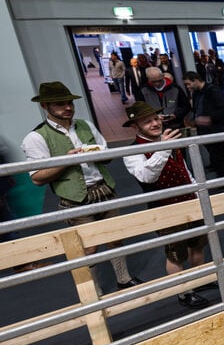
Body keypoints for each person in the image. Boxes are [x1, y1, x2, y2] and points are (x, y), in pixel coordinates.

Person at [20, 81, 139, 290]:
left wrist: (100, 154)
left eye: (69, 103)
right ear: (45, 106)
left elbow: (106, 154)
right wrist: (66, 161)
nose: (67, 107)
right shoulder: (36, 137)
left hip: (104, 188)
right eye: (60, 104)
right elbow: (37, 177)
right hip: (74, 198)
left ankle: (124, 278)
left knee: (115, 238)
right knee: (88, 247)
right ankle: (93, 290)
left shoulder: (86, 125)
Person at [121, 102, 210, 309]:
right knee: (175, 254)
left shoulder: (169, 138)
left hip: (190, 201)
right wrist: (163, 148)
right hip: (164, 209)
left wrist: (198, 192)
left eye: (155, 118)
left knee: (197, 245)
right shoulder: (132, 152)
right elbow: (147, 177)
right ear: (135, 126)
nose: (154, 123)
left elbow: (184, 170)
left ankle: (199, 281)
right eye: (147, 121)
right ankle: (184, 292)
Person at [183, 70, 224, 178]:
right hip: (204, 130)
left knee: (219, 154)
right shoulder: (196, 93)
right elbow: (196, 109)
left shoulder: (214, 91)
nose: (188, 87)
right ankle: (215, 166)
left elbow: (223, 111)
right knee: (212, 152)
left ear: (196, 80)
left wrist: (208, 119)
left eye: (188, 84)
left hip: (216, 129)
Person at [142, 66, 190, 131]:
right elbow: (141, 110)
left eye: (159, 80)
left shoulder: (175, 88)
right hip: (155, 127)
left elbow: (186, 106)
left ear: (163, 76)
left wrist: (175, 115)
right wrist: (154, 117)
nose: (157, 83)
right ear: (148, 79)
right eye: (154, 81)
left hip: (176, 125)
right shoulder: (144, 90)